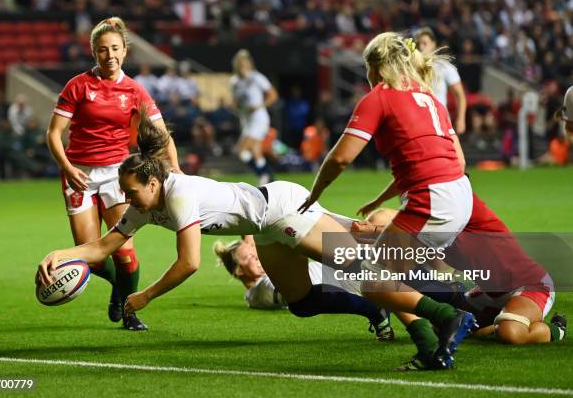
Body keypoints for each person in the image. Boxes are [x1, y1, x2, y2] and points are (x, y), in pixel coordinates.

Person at [36, 110, 416, 366]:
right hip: (266, 223)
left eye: (130, 191)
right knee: (302, 302)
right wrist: (60, 254)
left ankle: (443, 308)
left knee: (355, 264)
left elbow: (190, 263)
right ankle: (376, 309)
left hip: (280, 207)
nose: (125, 198)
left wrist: (144, 295)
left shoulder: (178, 193)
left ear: (153, 182)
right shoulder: (143, 206)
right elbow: (103, 245)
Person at [298, 32, 478, 371]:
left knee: (369, 277)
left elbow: (340, 159)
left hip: (432, 199)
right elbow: (455, 158)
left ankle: (452, 316)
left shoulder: (378, 98)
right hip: (460, 194)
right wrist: (385, 196)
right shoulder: (429, 97)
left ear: (374, 67)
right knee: (391, 279)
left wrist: (316, 192)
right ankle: (430, 349)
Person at [46, 17, 180, 331]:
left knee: (126, 252)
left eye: (115, 49)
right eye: (103, 50)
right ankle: (119, 289)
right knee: (91, 257)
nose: (110, 55)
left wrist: (176, 168)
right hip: (78, 173)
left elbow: (162, 134)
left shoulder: (134, 90)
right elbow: (53, 134)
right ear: (94, 52)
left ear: (125, 51)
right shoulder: (78, 85)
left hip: (117, 177)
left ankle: (130, 310)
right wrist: (67, 168)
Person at [354, 204, 567, 345]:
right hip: (487, 293)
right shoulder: (432, 236)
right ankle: (496, 323)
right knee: (445, 326)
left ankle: (555, 329)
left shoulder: (462, 213)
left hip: (530, 285)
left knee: (510, 333)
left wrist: (375, 231)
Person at [213, 235, 394, 341]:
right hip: (347, 280)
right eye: (250, 258)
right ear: (238, 270)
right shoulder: (259, 292)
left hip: (345, 270)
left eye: (256, 254)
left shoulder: (263, 282)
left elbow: (254, 235)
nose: (258, 258)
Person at [230, 49, 278, 185]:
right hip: (246, 120)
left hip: (258, 118)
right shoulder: (234, 82)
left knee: (241, 151)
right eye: (239, 63)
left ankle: (265, 175)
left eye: (244, 63)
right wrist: (235, 105)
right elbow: (235, 102)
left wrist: (258, 106)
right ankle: (269, 179)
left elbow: (273, 95)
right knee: (256, 153)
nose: (242, 66)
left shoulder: (257, 78)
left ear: (249, 64)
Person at [414, 27, 467, 134]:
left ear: (434, 44)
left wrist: (461, 119)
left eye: (425, 43)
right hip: (417, 122)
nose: (421, 47)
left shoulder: (444, 66)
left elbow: (460, 95)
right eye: (418, 44)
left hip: (440, 121)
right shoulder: (411, 69)